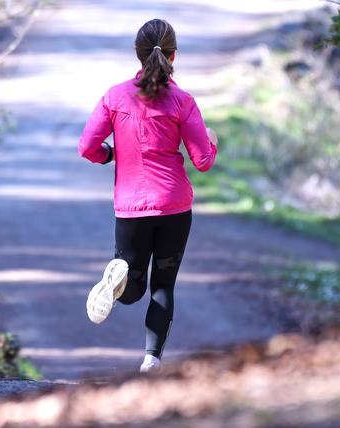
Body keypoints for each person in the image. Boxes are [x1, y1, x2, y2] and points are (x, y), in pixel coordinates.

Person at [77, 18, 218, 373]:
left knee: (133, 290)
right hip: (174, 207)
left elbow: (87, 147)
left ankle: (119, 278)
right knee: (163, 288)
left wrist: (110, 154)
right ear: (174, 56)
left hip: (130, 208)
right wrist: (212, 143)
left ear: (138, 56)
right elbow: (202, 161)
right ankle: (151, 361)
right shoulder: (183, 101)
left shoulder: (115, 96)